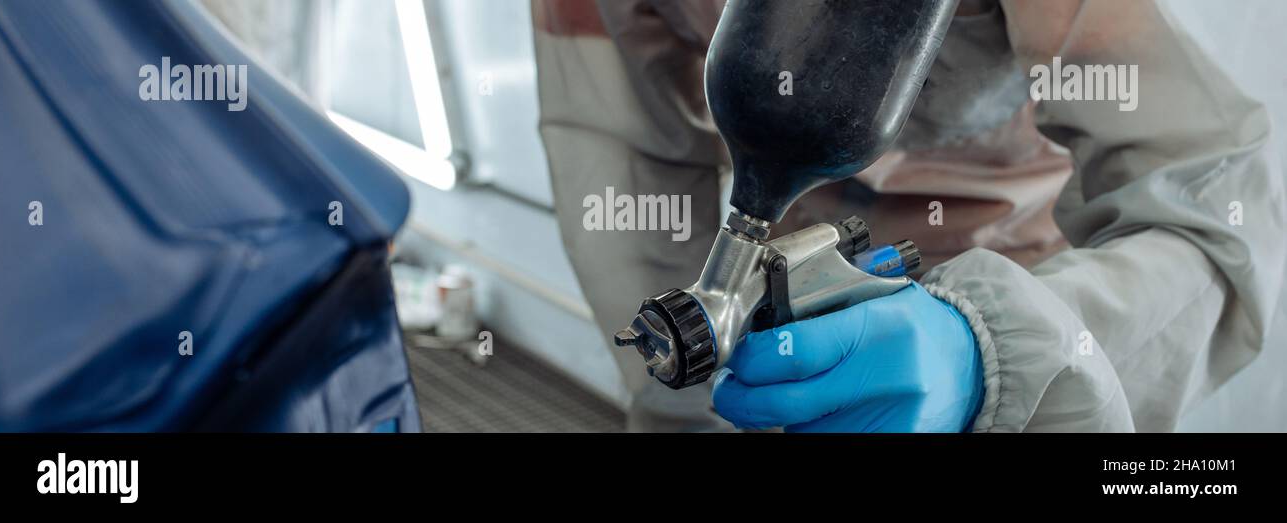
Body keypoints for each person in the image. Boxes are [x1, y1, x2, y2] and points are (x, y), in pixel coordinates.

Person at [532, 0, 1284, 432]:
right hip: (783, 294)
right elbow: (623, 168)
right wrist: (689, 411)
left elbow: (1212, 212)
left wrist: (992, 354)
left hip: (1020, 278)